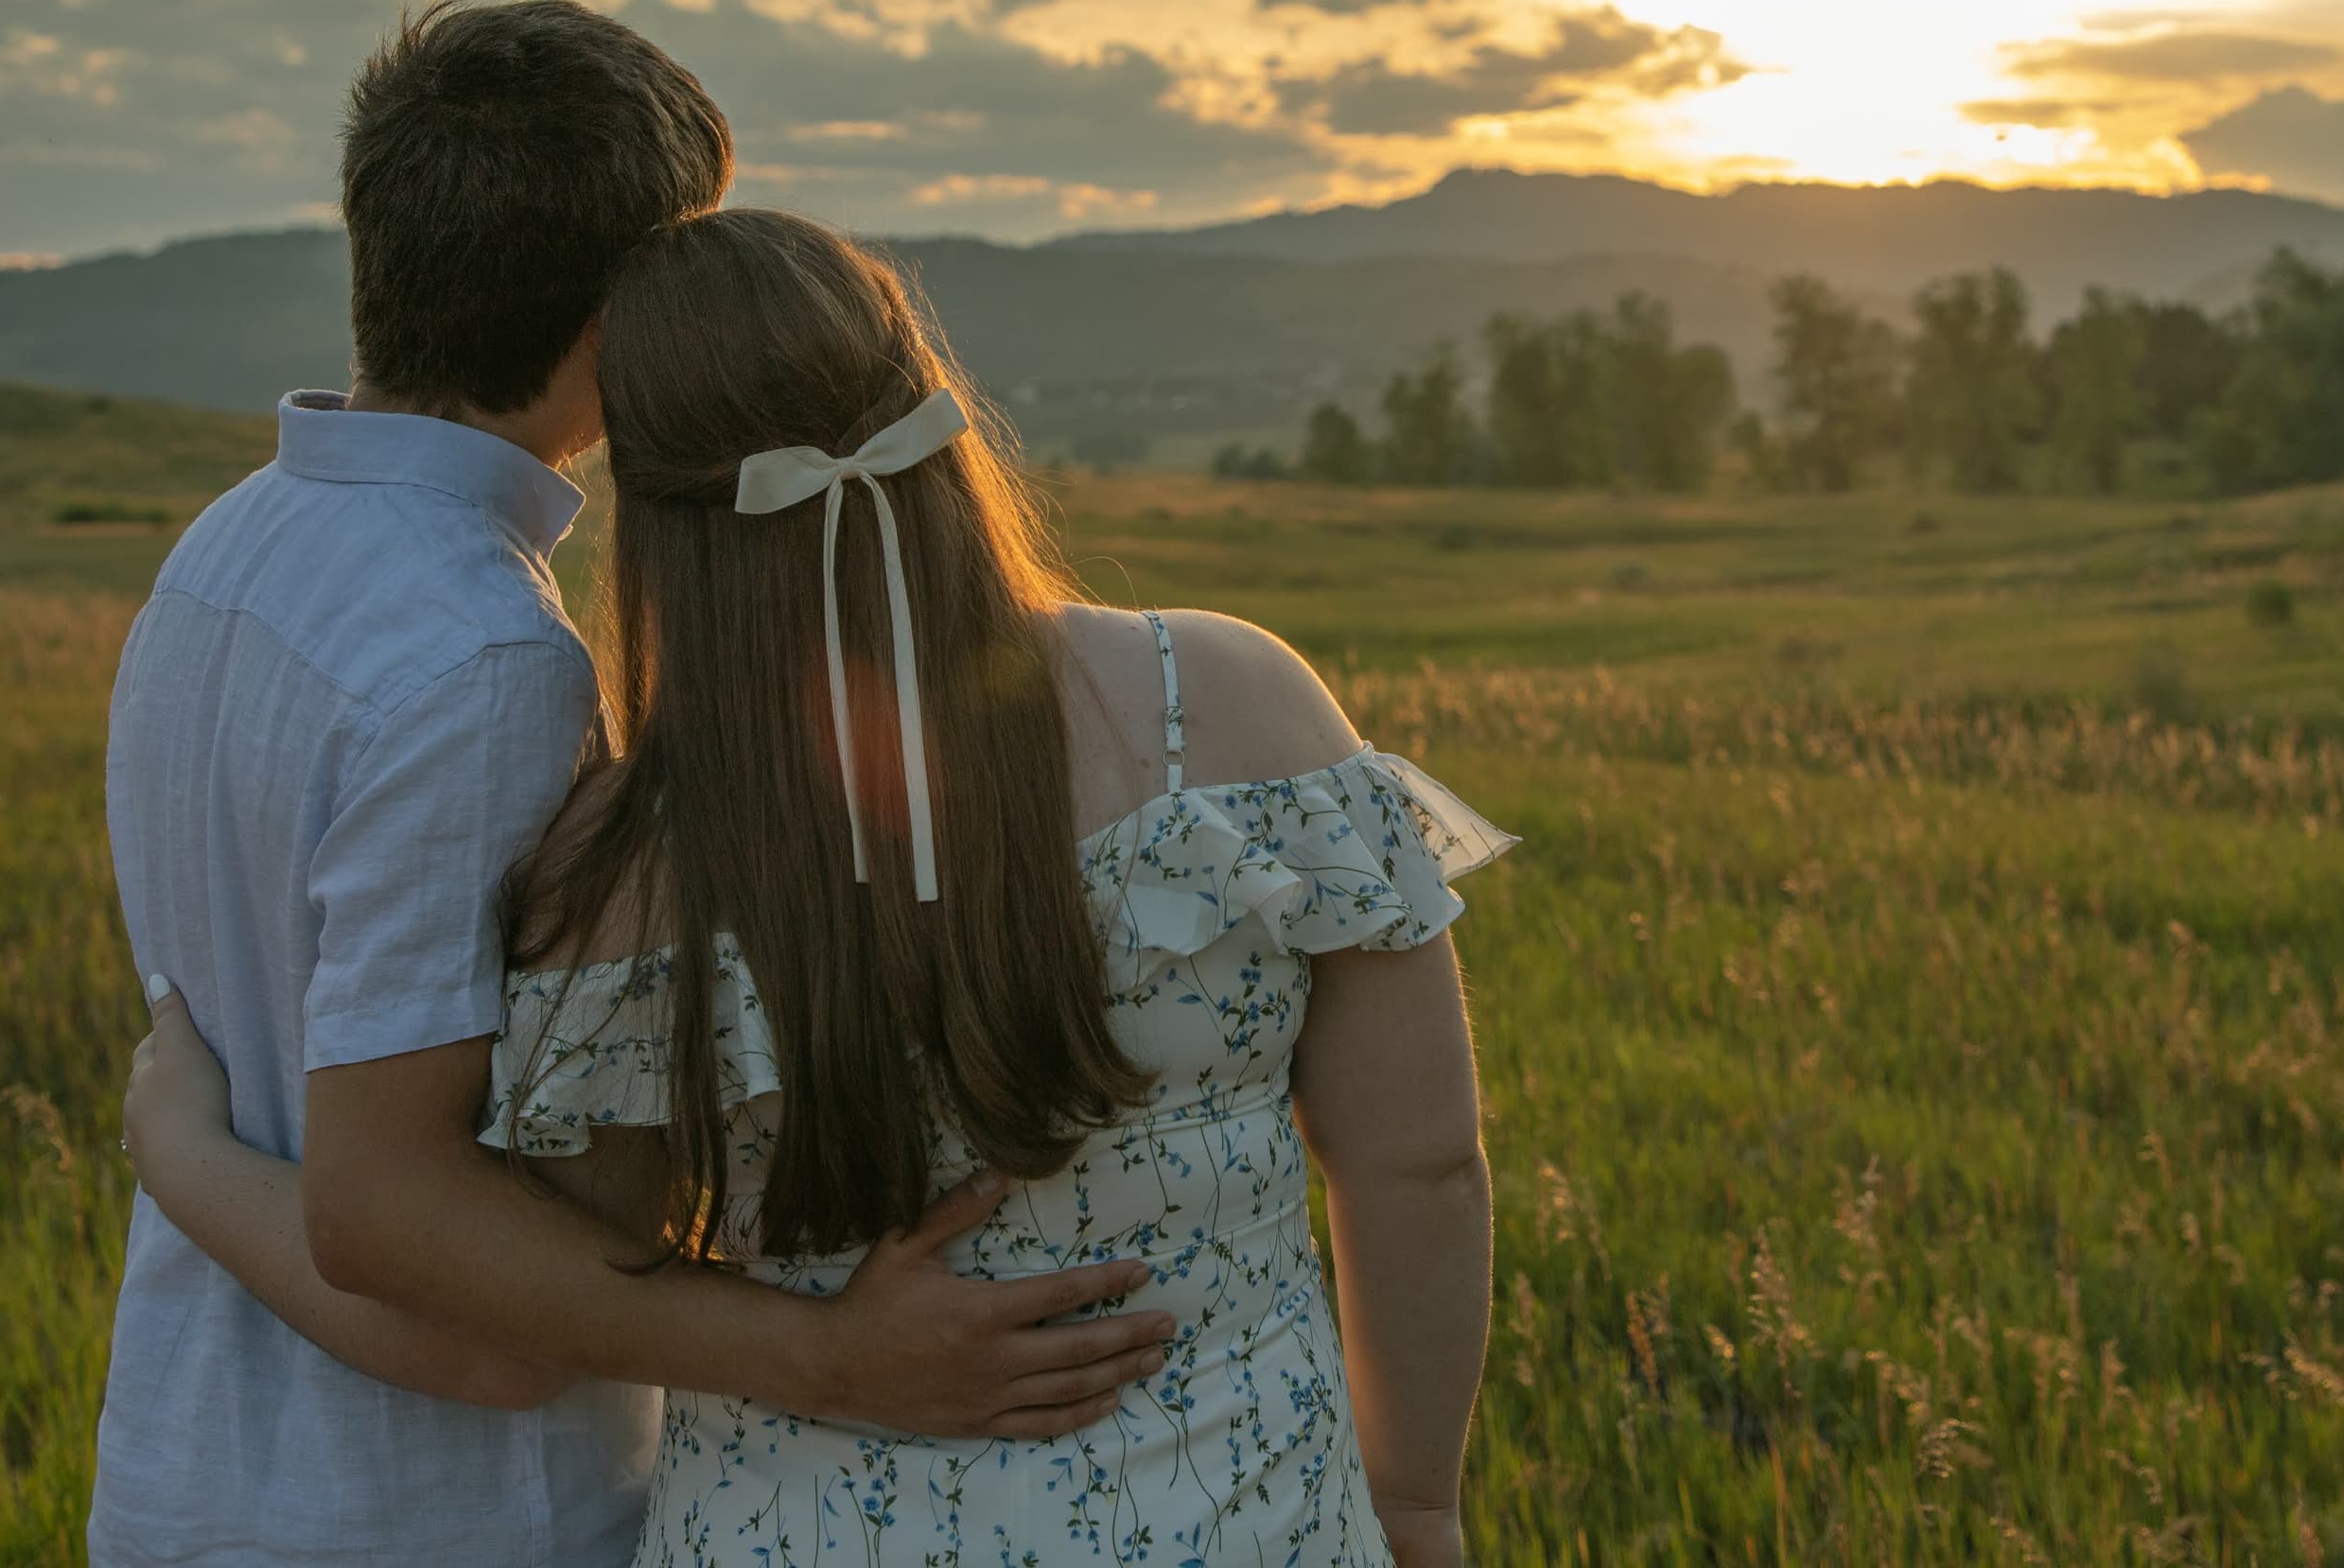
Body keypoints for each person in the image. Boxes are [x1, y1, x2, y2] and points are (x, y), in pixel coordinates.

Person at [122, 202, 1508, 1566]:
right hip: (1251, 1525)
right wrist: (1415, 1508)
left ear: (657, 521)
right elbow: (1423, 1164)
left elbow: (552, 1295)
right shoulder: (1239, 704)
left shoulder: (623, 875)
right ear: (930, 410)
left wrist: (191, 1161)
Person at [93, 7, 1174, 1568]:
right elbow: (426, 1257)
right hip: (434, 1518)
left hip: (187, 1481)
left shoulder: (228, 547)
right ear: (624, 322)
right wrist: (837, 1359)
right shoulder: (481, 661)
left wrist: (186, 1153)